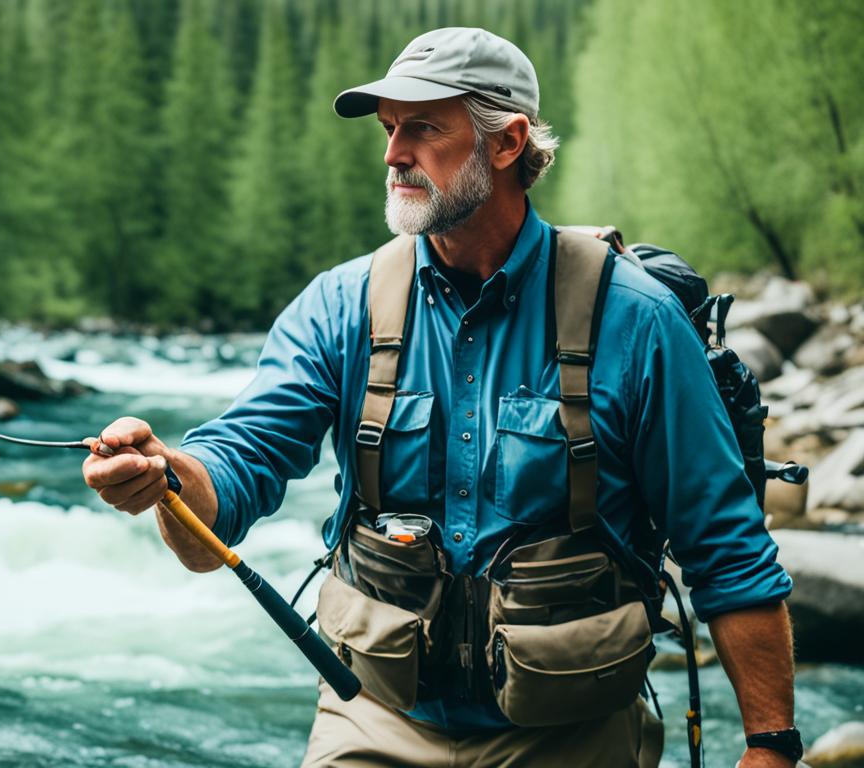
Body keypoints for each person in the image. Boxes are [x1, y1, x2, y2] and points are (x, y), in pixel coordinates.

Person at [82, 27, 798, 768]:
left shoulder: (637, 321)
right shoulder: (341, 306)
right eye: (391, 129)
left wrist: (771, 747)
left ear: (508, 142)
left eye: (423, 128)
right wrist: (167, 475)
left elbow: (727, 548)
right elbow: (236, 467)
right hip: (376, 718)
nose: (393, 154)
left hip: (573, 733)